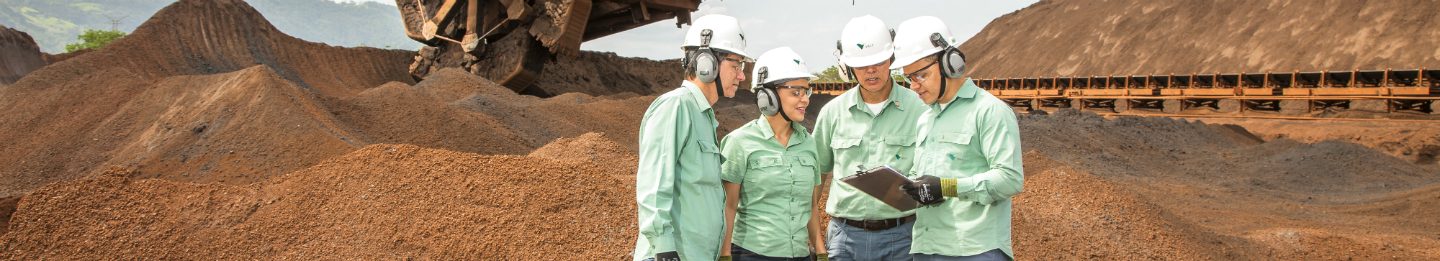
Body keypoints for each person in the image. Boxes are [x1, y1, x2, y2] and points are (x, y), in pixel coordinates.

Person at [891, 16, 1025, 261]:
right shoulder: (926, 119)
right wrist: (908, 186)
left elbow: (1010, 179)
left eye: (920, 75)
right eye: (909, 78)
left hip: (976, 249)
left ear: (950, 64)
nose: (914, 86)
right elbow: (927, 176)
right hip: (926, 247)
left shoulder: (989, 111)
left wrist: (947, 187)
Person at [633, 14, 753, 261]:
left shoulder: (704, 116)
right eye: (736, 66)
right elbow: (653, 185)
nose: (742, 76)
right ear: (706, 64)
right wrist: (664, 249)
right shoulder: (676, 106)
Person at [812, 15, 928, 261]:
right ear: (848, 67)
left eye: (878, 61)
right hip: (844, 238)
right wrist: (813, 237)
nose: (871, 70)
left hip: (904, 236)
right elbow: (815, 176)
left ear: (892, 58)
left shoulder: (921, 110)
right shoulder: (832, 113)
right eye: (862, 64)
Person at [718, 47, 827, 261]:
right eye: (796, 92)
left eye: (806, 91)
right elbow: (728, 207)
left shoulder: (809, 143)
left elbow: (811, 206)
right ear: (767, 96)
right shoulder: (739, 142)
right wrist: (724, 255)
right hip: (751, 255)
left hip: (800, 255)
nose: (804, 99)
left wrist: (821, 253)